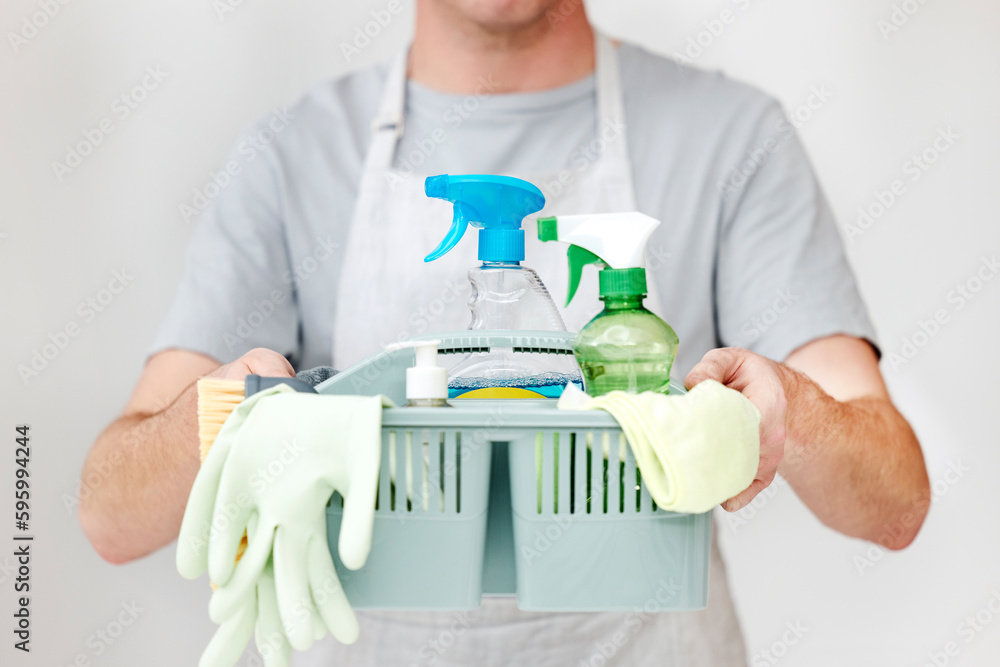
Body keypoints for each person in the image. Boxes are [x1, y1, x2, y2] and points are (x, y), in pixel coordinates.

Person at [79, 1, 930, 664]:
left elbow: (895, 503)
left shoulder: (732, 139)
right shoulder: (291, 154)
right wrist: (233, 415)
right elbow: (111, 516)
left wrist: (795, 414)